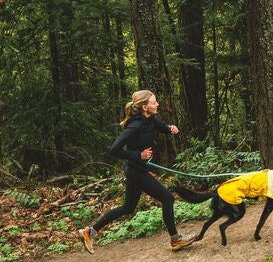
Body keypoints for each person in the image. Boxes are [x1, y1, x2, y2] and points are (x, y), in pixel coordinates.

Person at [78, 90, 191, 252]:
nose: (157, 104)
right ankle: (175, 239)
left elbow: (159, 126)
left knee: (128, 207)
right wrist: (138, 155)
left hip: (136, 169)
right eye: (154, 102)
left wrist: (169, 128)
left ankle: (89, 232)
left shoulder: (150, 118)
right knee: (167, 198)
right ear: (145, 107)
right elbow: (115, 149)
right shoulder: (135, 126)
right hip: (135, 171)